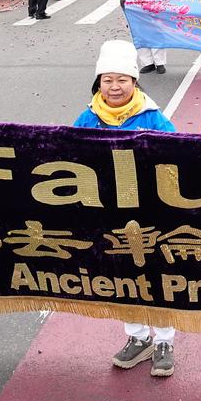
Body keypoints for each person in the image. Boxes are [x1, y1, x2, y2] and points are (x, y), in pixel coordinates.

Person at [73, 40, 178, 377]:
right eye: (107, 80)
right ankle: (136, 337)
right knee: (121, 276)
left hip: (150, 212)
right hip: (108, 212)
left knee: (155, 276)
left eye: (122, 80)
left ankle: (164, 340)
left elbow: (179, 157)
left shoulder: (154, 118)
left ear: (134, 82)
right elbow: (67, 155)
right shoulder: (88, 118)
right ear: (98, 83)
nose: (114, 87)